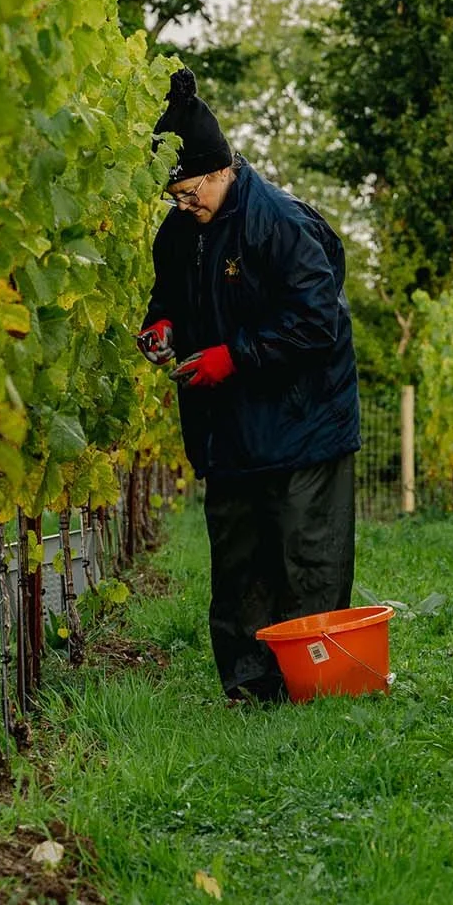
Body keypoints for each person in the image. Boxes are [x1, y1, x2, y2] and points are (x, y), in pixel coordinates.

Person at [137, 67, 361, 703]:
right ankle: (248, 688)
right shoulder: (180, 233)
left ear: (220, 169)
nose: (185, 205)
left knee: (303, 556)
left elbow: (317, 325)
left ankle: (315, 690)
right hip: (228, 425)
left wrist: (231, 358)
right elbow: (169, 298)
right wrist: (160, 329)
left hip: (304, 421)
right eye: (176, 197)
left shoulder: (280, 223)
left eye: (190, 191)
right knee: (238, 561)